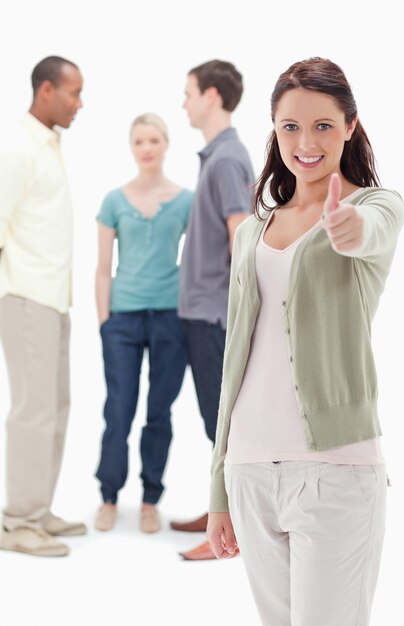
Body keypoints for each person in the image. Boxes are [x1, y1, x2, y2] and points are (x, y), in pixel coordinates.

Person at [206, 56, 404, 625]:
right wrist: (219, 485)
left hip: (335, 472)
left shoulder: (374, 206)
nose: (306, 141)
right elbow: (233, 364)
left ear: (350, 126)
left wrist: (347, 230)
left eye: (322, 125)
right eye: (290, 126)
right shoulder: (251, 231)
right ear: (274, 129)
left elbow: (371, 234)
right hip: (248, 469)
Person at [169, 60, 255, 560]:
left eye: (188, 92)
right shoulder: (217, 156)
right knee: (212, 422)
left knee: (222, 424)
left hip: (213, 316)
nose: (184, 102)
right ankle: (221, 510)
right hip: (198, 313)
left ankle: (232, 529)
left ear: (213, 96)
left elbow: (241, 244)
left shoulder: (226, 159)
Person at [0, 56, 85, 557]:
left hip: (53, 298)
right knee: (33, 412)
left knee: (55, 407)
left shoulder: (48, 144)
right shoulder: (17, 144)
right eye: (74, 93)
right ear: (47, 89)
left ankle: (37, 509)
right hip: (26, 296)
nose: (80, 103)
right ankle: (18, 522)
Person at [94, 113, 192, 534]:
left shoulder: (186, 200)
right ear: (131, 148)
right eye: (139, 141)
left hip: (171, 317)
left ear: (166, 144)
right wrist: (104, 322)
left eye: (154, 139)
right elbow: (102, 268)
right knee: (119, 411)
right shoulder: (114, 201)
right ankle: (109, 496)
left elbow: (204, 258)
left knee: (159, 411)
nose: (147, 148)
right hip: (123, 318)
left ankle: (150, 498)